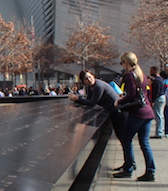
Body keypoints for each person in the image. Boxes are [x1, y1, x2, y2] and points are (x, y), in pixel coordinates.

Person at [113, 52, 156, 181]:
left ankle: (128, 168)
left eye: (122, 63)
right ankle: (150, 171)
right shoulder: (140, 73)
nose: (122, 65)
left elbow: (131, 95)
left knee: (126, 139)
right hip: (147, 112)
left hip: (137, 113)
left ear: (126, 63)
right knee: (145, 143)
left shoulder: (130, 75)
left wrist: (119, 101)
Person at [68, 70, 126, 149]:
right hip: (112, 110)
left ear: (93, 75)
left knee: (122, 136)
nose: (89, 79)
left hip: (117, 111)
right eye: (86, 79)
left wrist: (77, 99)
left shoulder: (98, 86)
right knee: (121, 136)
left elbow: (92, 102)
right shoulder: (90, 87)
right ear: (84, 81)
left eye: (90, 77)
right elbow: (88, 100)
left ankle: (129, 157)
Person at [149, 66, 166, 138]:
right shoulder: (160, 80)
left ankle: (159, 133)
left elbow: (156, 91)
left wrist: (153, 101)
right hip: (162, 98)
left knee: (158, 115)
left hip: (158, 99)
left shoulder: (156, 81)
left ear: (155, 71)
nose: (150, 72)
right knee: (160, 115)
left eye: (151, 71)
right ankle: (160, 131)